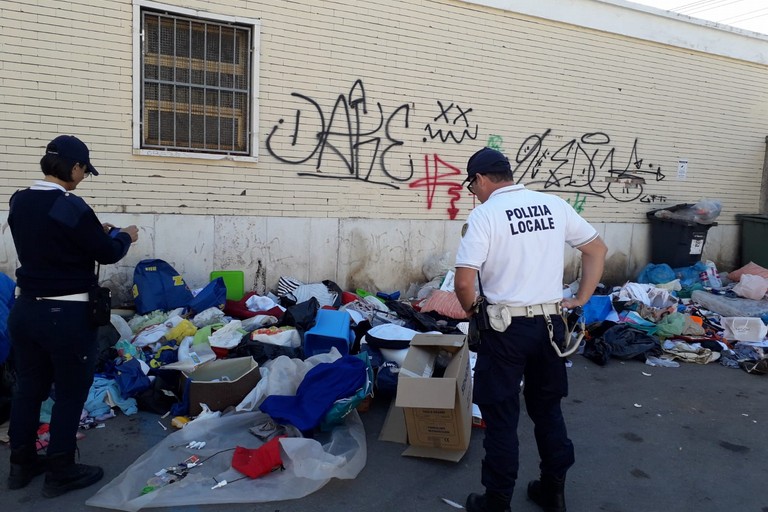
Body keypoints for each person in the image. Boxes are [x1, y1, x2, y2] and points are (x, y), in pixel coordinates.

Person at [454, 147, 607, 512]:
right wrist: (580, 299)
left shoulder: (486, 215)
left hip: (505, 328)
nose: (473, 194)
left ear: (480, 179)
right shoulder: (553, 205)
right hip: (551, 327)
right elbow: (597, 250)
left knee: (502, 415)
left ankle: (497, 501)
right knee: (547, 409)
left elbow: (463, 283)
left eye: (471, 186)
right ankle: (553, 491)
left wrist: (473, 309)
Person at [6, 135, 139, 497]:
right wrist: (125, 236)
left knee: (28, 390)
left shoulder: (18, 201)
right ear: (75, 167)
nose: (83, 177)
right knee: (69, 392)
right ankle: (61, 469)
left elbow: (56, 238)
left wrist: (97, 233)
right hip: (65, 314)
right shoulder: (71, 205)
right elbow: (106, 253)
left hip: (25, 309)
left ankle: (21, 465)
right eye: (83, 170)